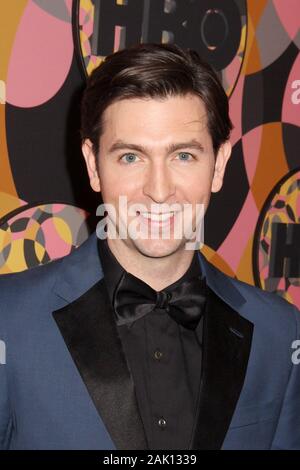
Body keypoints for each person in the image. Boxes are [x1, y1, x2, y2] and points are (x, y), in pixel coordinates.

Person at [0, 43, 299, 450]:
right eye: (130, 157)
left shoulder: (280, 334)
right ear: (93, 165)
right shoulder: (8, 320)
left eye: (183, 156)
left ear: (219, 164)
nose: (158, 191)